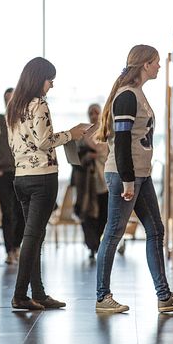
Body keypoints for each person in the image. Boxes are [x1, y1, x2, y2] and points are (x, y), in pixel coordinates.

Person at [94, 44, 173, 314]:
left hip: (142, 175)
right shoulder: (127, 96)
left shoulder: (137, 94)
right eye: (156, 62)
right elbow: (123, 142)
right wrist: (128, 180)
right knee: (113, 234)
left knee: (156, 230)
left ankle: (164, 296)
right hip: (125, 175)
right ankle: (102, 297)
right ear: (145, 65)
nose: (159, 66)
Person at [6, 57, 90, 310]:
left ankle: (39, 293)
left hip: (21, 177)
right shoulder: (39, 104)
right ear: (38, 79)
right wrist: (72, 135)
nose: (51, 85)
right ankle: (21, 295)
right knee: (33, 237)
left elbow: (17, 144)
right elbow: (44, 142)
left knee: (35, 236)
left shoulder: (14, 106)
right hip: (43, 176)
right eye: (49, 79)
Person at [0, 87, 24, 265]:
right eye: (7, 99)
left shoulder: (23, 121)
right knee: (7, 213)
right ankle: (9, 250)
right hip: (3, 174)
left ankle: (17, 246)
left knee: (21, 211)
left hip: (21, 173)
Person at [72, 103, 109, 260]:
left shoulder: (107, 133)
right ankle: (92, 245)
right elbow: (75, 158)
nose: (94, 115)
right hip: (86, 183)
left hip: (105, 181)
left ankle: (98, 243)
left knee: (103, 215)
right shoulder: (82, 134)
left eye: (96, 112)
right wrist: (87, 157)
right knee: (87, 215)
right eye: (91, 113)